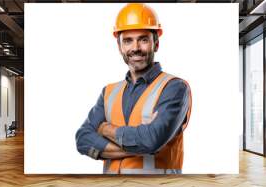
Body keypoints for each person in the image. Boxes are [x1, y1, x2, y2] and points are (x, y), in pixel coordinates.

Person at [75, 3, 192, 174]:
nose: (135, 48)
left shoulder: (175, 88)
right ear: (120, 47)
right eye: (128, 40)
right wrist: (139, 146)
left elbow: (151, 140)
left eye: (143, 39)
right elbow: (83, 139)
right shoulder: (108, 92)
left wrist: (105, 129)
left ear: (156, 44)